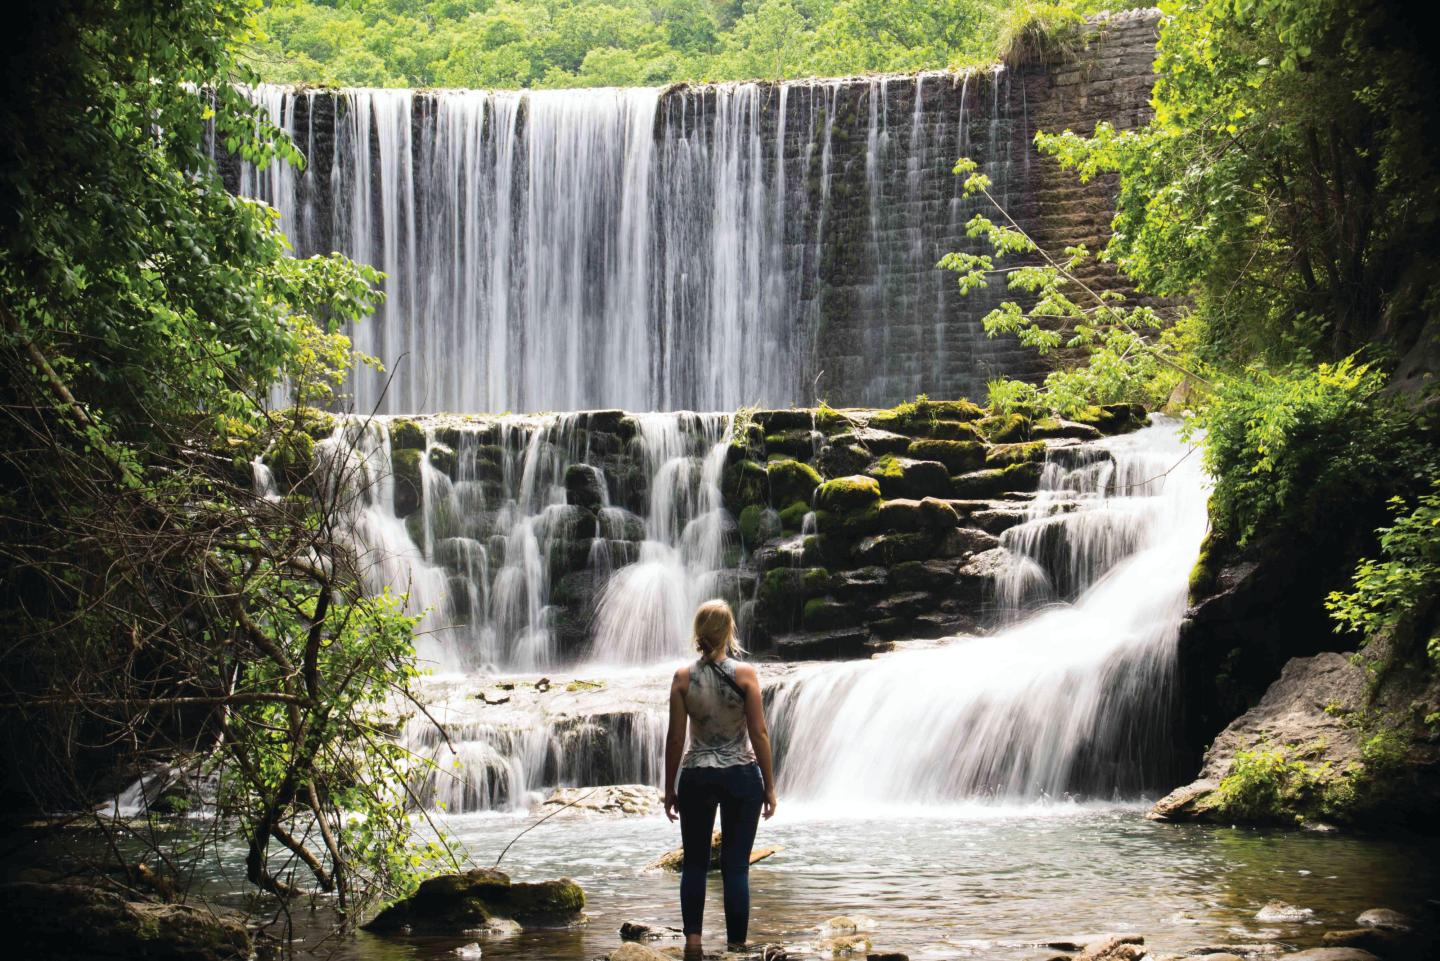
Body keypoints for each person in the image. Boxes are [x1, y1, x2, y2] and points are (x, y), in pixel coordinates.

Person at [663, 598, 777, 954]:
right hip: (741, 775)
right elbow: (759, 734)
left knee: (695, 863)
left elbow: (676, 738)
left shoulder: (683, 678)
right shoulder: (745, 675)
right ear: (729, 631)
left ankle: (693, 942)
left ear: (698, 633)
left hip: (697, 774)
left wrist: (669, 787)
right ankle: (737, 945)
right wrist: (770, 786)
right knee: (735, 866)